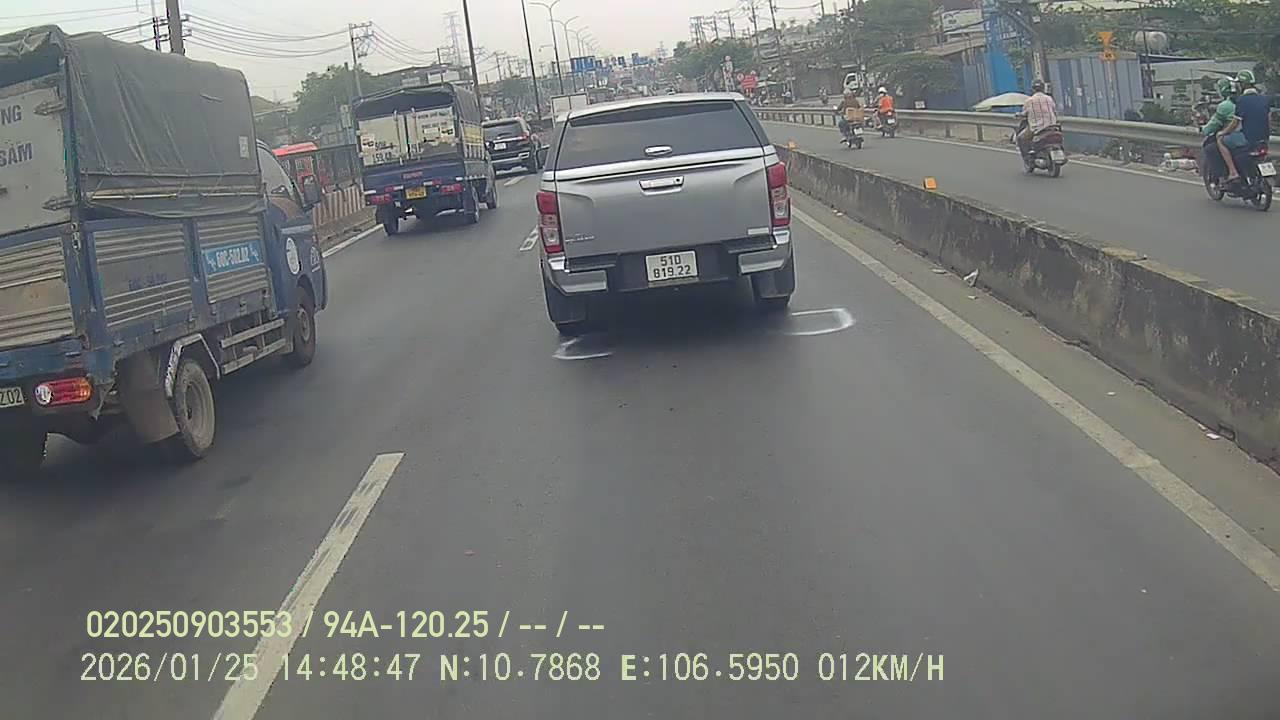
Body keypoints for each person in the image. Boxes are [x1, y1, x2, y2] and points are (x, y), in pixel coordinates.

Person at [1202, 77, 1246, 182]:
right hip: (1252, 136)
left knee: (1211, 148)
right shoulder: (1245, 101)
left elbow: (1214, 124)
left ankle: (1229, 173)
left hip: (1236, 137)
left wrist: (1204, 129)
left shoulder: (1225, 106)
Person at [1232, 69, 1274, 146]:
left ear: (1243, 84)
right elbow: (1269, 121)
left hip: (1248, 139)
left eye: (1239, 83)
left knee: (1223, 140)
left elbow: (1235, 124)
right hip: (1264, 139)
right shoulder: (1264, 99)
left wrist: (1223, 132)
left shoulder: (1242, 100)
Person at [1017, 79, 1059, 157]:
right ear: (1043, 88)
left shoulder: (1029, 101)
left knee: (1021, 138)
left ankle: (1028, 158)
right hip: (1052, 126)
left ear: (1033, 89)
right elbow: (1054, 110)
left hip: (1036, 128)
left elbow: (1024, 113)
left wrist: (1019, 115)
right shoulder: (1049, 99)